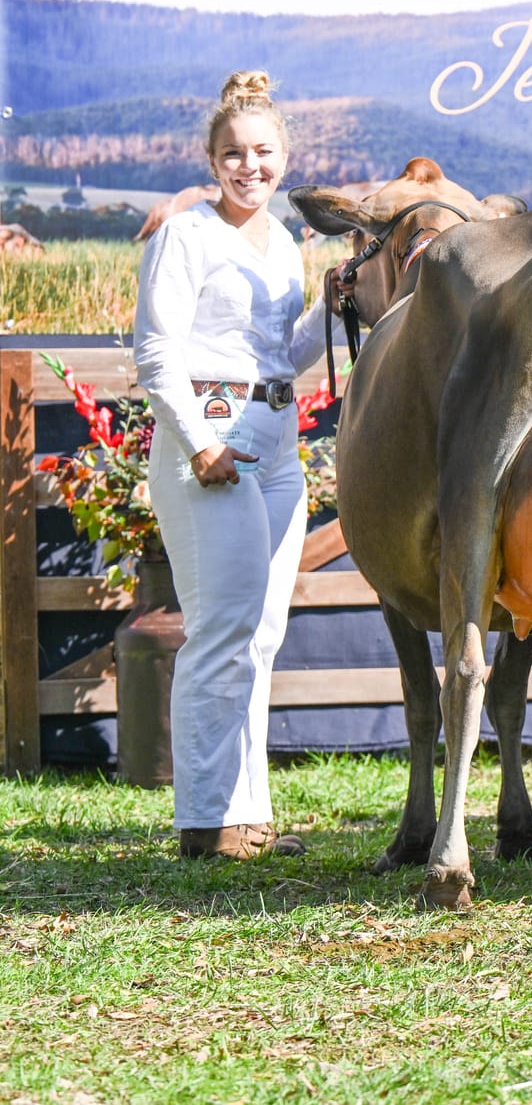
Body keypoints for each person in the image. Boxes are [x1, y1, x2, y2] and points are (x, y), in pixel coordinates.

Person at [135, 71, 323, 860]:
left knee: (262, 634)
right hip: (210, 438)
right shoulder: (186, 234)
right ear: (212, 161)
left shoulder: (284, 243)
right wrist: (199, 443)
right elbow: (154, 352)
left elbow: (287, 354)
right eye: (234, 154)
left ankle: (248, 813)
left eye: (263, 152)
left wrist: (333, 303)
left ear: (285, 157)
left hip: (278, 442)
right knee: (220, 628)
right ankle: (205, 821)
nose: (250, 166)